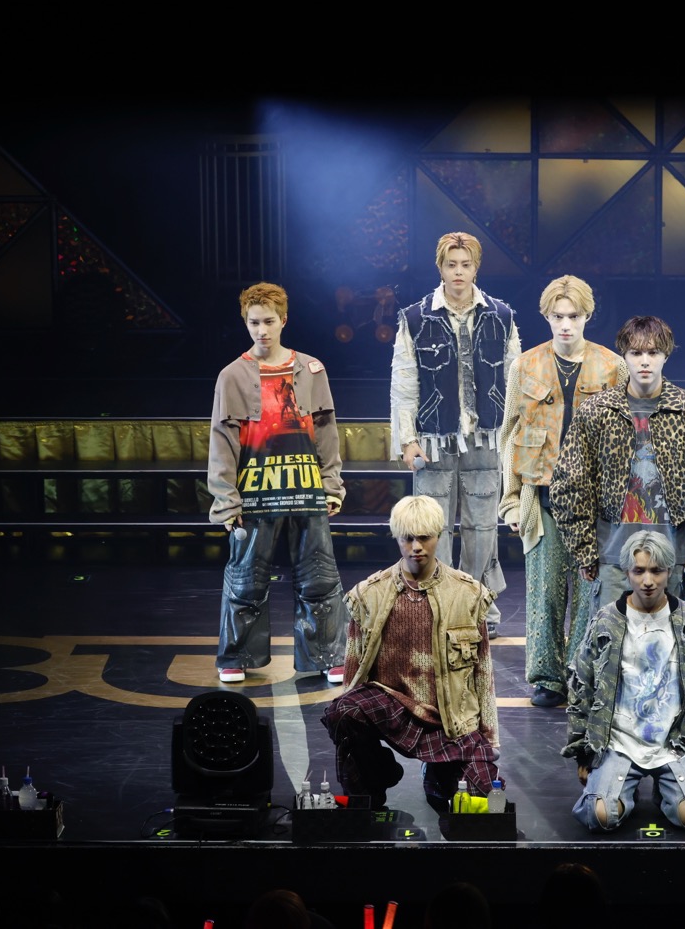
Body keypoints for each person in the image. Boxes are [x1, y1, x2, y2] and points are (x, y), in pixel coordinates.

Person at [321, 495, 500, 813]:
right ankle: (376, 779)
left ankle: (438, 774)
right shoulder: (369, 594)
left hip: (449, 719)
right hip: (391, 706)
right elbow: (353, 668)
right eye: (407, 538)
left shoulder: (468, 595)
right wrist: (348, 734)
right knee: (344, 711)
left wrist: (490, 738)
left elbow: (483, 673)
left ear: (439, 535)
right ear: (396, 537)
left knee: (482, 804)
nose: (416, 546)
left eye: (424, 537)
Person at [207, 281, 347, 685]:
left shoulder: (311, 369)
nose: (261, 330)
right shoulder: (232, 375)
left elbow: (327, 432)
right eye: (254, 322)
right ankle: (236, 656)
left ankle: (328, 655)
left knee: (319, 576)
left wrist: (331, 484)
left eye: (269, 321)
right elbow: (222, 442)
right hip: (256, 493)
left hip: (305, 488)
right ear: (245, 323)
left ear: (284, 320)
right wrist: (226, 500)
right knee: (246, 577)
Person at [498, 275, 627, 709]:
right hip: (543, 497)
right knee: (544, 593)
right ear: (547, 317)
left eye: (574, 316)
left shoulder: (612, 366)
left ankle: (582, 673)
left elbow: (627, 437)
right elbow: (509, 434)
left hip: (596, 502)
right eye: (558, 316)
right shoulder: (525, 365)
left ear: (587, 315)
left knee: (593, 594)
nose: (566, 324)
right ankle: (548, 679)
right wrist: (511, 501)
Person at [550, 315, 685, 610]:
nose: (645, 361)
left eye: (653, 352)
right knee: (612, 638)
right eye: (636, 353)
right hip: (613, 558)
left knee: (670, 638)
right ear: (624, 356)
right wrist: (584, 549)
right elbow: (571, 482)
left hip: (673, 558)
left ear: (666, 355)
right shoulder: (598, 411)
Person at [390, 231, 520, 637]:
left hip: (486, 436)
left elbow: (516, 378)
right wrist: (407, 439)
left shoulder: (501, 315)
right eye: (451, 265)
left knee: (483, 529)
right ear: (440, 267)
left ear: (476, 268)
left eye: (465, 264)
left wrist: (514, 436)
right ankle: (437, 605)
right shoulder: (416, 317)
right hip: (434, 437)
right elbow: (404, 382)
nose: (458, 272)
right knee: (433, 527)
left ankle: (480, 606)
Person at [562, 530, 685, 832]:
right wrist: (583, 751)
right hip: (618, 741)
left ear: (669, 571)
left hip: (675, 741)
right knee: (600, 816)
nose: (648, 580)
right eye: (639, 571)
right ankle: (624, 788)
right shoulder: (606, 620)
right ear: (627, 572)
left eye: (656, 571)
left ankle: (666, 790)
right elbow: (582, 686)